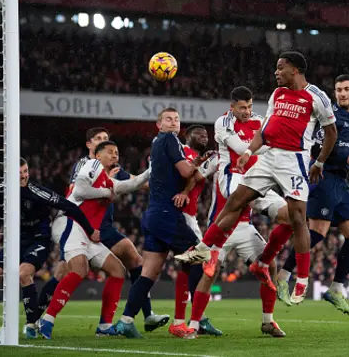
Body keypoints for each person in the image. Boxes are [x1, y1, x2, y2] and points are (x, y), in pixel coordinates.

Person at [175, 51, 338, 305]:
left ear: (294, 70)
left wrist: (319, 162)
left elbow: (331, 133)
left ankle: (302, 280)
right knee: (235, 202)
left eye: (280, 68)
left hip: (294, 161)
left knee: (297, 218)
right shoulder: (277, 94)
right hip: (268, 159)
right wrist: (249, 151)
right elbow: (265, 130)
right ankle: (204, 248)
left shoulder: (316, 97)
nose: (276, 72)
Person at [173, 87, 292, 338]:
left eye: (249, 106)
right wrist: (185, 190)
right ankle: (194, 325)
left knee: (287, 221)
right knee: (210, 272)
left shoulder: (260, 121)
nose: (247, 112)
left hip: (246, 221)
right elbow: (233, 151)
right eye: (242, 107)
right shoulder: (220, 142)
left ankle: (268, 320)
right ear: (232, 106)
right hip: (222, 223)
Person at [38, 127, 168, 331]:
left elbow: (134, 184)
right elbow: (79, 190)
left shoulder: (111, 179)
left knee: (117, 270)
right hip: (71, 222)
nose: (114, 154)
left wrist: (152, 169)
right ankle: (46, 319)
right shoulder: (91, 164)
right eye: (110, 151)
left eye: (116, 152)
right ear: (96, 152)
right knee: (76, 269)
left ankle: (105, 325)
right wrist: (105, 192)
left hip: (91, 230)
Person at [276, 74, 349, 314]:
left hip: (341, 183)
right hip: (324, 179)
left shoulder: (347, 117)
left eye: (346, 89)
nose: (342, 93)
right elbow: (317, 144)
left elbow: (346, 127)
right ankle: (283, 275)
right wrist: (348, 158)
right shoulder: (330, 115)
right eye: (338, 90)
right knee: (317, 233)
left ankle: (336, 289)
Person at [113, 108, 207, 339]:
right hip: (167, 213)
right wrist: (198, 163)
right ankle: (192, 323)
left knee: (149, 273)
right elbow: (185, 170)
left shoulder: (157, 143)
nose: (174, 122)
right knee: (198, 258)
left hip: (153, 214)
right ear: (159, 124)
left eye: (176, 119)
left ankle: (125, 321)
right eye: (168, 119)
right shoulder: (170, 139)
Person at [0, 158, 98, 339]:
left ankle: (31, 324)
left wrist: (90, 230)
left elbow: (69, 206)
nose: (23, 176)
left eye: (25, 171)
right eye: (19, 172)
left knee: (23, 274)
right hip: (15, 241)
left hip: (39, 240)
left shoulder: (38, 193)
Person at [168, 124, 222, 337]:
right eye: (199, 134)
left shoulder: (197, 157)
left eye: (206, 134)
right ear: (187, 136)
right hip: (181, 215)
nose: (203, 136)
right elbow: (192, 176)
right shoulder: (183, 153)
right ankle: (193, 319)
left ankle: (183, 319)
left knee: (188, 266)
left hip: (189, 216)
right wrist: (184, 191)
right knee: (202, 262)